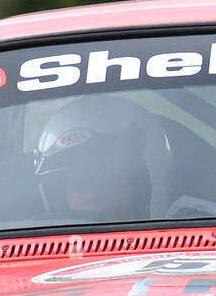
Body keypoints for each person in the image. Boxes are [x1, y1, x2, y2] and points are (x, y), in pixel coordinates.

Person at [34, 95, 173, 222]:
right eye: (79, 180)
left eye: (106, 177)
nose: (92, 195)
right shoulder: (32, 235)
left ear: (143, 182)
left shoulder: (183, 227)